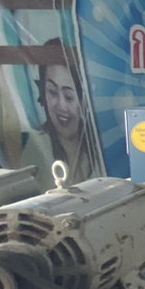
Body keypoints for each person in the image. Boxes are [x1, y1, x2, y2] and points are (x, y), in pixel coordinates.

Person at [24, 40, 98, 185]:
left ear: (85, 98)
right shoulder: (37, 145)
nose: (61, 106)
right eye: (52, 92)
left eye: (69, 96)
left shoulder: (98, 144)